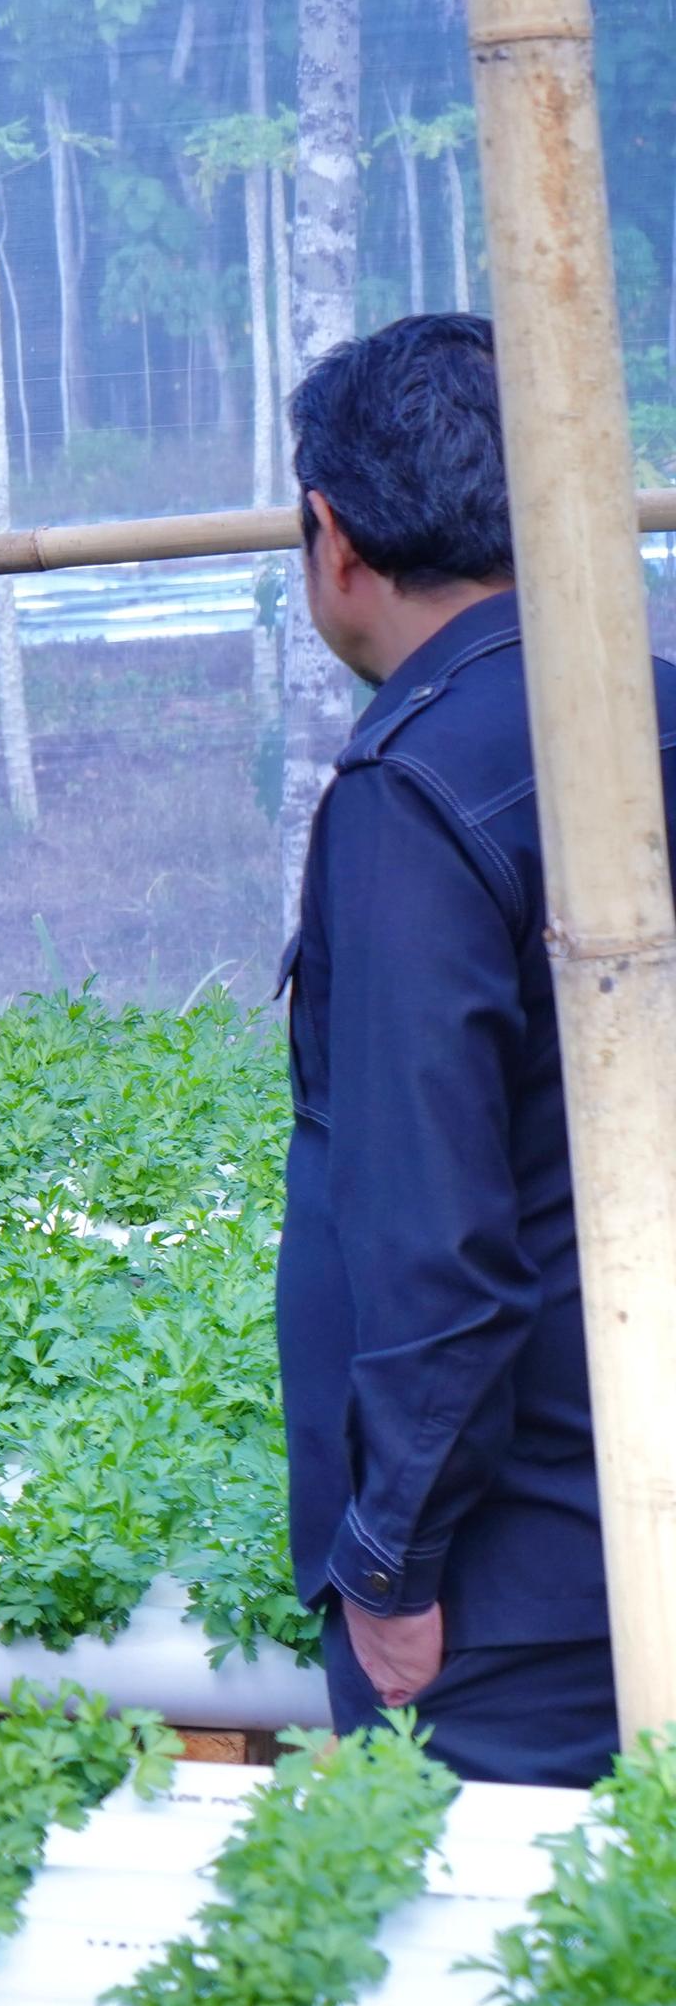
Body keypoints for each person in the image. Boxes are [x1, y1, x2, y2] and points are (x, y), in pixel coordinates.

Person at [280, 312, 655, 1787]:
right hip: (635, 1517)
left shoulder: (419, 784)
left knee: (492, 1984)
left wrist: (391, 1560)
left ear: (334, 534)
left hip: (518, 1590)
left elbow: (438, 1237)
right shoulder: (650, 716)